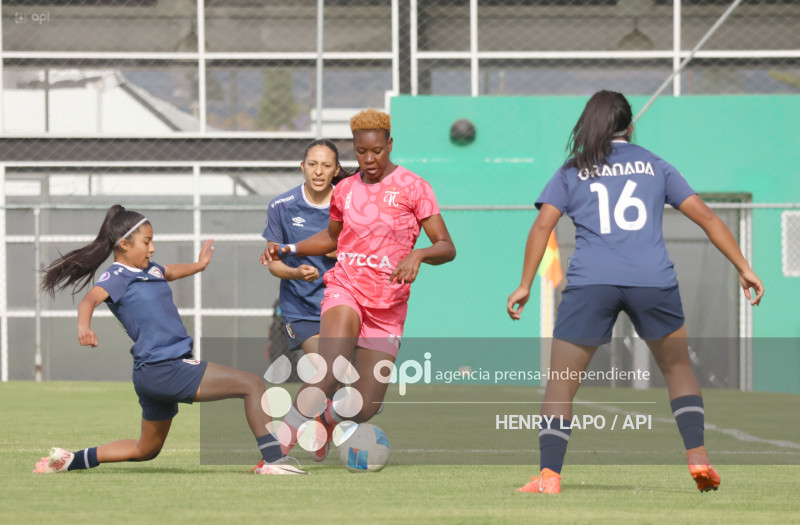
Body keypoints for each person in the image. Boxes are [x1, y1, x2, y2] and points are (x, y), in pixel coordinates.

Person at [506, 90, 764, 494]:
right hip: (652, 280)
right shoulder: (656, 165)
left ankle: (549, 477)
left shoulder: (573, 170)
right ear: (630, 125)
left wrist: (524, 284)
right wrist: (744, 268)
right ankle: (698, 456)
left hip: (592, 283)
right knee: (678, 369)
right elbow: (707, 217)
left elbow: (542, 226)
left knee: (561, 380)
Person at [35, 205, 306, 475]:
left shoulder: (149, 270)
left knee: (146, 449)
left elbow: (171, 271)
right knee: (252, 384)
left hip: (154, 370)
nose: (152, 248)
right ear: (124, 244)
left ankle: (70, 460)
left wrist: (199, 266)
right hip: (164, 367)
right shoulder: (117, 276)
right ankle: (273, 462)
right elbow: (89, 300)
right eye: (147, 242)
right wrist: (84, 327)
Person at [261, 108, 456, 461]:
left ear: (390, 145)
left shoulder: (415, 187)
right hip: (345, 289)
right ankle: (275, 451)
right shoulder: (346, 190)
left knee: (366, 406)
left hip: (387, 307)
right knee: (330, 370)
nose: (369, 159)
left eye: (377, 151)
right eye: (361, 151)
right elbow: (331, 237)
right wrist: (289, 248)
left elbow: (446, 246)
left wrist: (419, 254)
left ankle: (326, 419)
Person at [262, 139, 346, 358]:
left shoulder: (350, 205)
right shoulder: (281, 206)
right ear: (302, 166)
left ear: (336, 169)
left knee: (351, 375)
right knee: (329, 369)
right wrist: (296, 273)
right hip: (300, 309)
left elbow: (367, 251)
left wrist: (338, 251)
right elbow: (274, 263)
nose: (318, 171)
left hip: (343, 304)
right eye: (312, 164)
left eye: (326, 165)